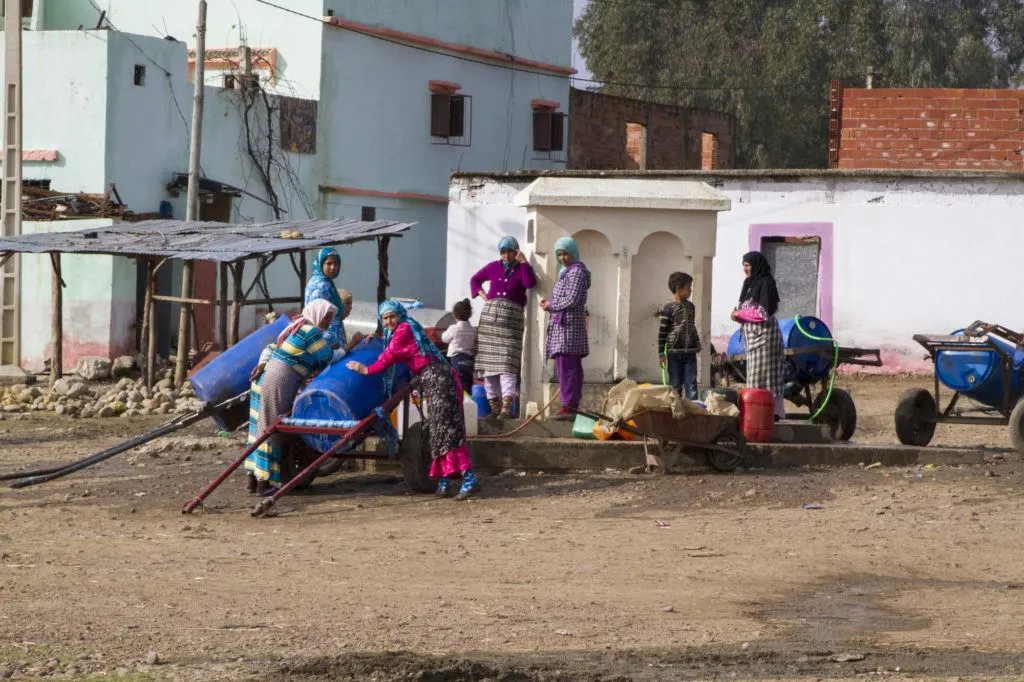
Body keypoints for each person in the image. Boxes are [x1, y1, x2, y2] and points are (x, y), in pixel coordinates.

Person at [347, 300, 479, 500]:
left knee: (448, 429)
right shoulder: (402, 330)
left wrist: (365, 369)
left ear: (399, 315)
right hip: (433, 380)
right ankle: (444, 480)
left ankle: (469, 478)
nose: (390, 321)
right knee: (437, 430)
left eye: (392, 316)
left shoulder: (405, 328)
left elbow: (390, 355)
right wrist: (376, 336)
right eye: (385, 318)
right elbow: (393, 346)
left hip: (439, 378)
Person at [244, 300, 348, 494]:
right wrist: (349, 348)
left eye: (330, 318)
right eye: (326, 317)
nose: (328, 321)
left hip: (274, 376)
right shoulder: (311, 331)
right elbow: (327, 357)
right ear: (316, 314)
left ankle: (253, 478)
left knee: (262, 426)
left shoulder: (298, 328)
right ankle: (262, 484)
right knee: (270, 429)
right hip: (281, 379)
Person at [470, 236, 537, 418]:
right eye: (503, 252)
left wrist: (524, 263)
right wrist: (483, 294)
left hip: (511, 323)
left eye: (510, 251)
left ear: (516, 251)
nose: (506, 255)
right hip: (489, 322)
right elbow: (475, 280)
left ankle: (507, 408)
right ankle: (495, 409)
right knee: (488, 368)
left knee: (507, 365)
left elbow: (530, 283)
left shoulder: (522, 268)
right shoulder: (493, 266)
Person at [540, 236, 590, 421]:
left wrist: (552, 306)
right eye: (559, 255)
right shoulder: (567, 272)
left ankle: (569, 405)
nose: (562, 258)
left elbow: (573, 298)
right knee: (568, 365)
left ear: (573, 253)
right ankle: (571, 404)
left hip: (569, 326)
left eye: (565, 254)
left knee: (567, 365)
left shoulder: (576, 272)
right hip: (565, 326)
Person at [731, 251, 786, 419]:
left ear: (756, 266)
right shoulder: (748, 283)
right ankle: (757, 414)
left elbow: (763, 313)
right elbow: (746, 310)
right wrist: (737, 315)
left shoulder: (767, 283)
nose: (745, 269)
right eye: (744, 266)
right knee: (755, 377)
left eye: (748, 266)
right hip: (753, 337)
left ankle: (768, 414)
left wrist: (739, 314)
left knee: (765, 377)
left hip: (765, 336)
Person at [658, 272, 701, 400]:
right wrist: (661, 354)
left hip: (690, 353)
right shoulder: (668, 309)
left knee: (691, 384)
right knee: (675, 384)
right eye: (688, 287)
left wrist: (697, 341)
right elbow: (662, 333)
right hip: (674, 353)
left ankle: (693, 412)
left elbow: (692, 326)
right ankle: (676, 412)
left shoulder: (691, 307)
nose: (691, 290)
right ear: (678, 288)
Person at [304, 247, 352, 349]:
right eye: (329, 263)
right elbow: (318, 318)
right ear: (321, 263)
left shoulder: (323, 280)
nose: (333, 267)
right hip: (327, 338)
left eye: (336, 264)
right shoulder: (322, 285)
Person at [442, 298, 476, 395]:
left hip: (457, 360)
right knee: (468, 387)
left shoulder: (454, 328)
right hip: (470, 361)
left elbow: (445, 338)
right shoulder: (473, 330)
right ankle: (470, 405)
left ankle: (461, 407)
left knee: (458, 387)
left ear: (455, 314)